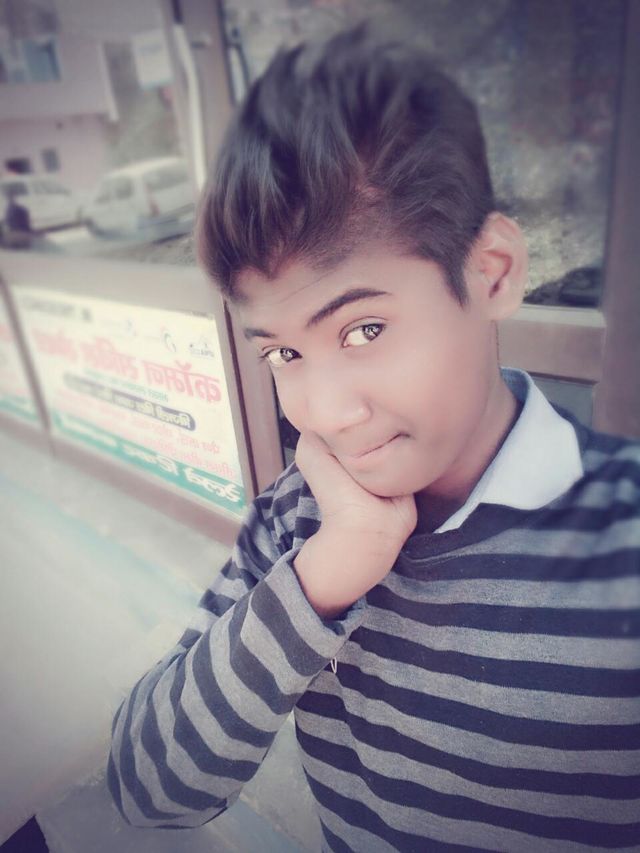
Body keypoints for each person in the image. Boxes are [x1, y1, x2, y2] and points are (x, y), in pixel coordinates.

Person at [107, 26, 640, 851]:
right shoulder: (300, 520)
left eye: (363, 330)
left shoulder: (620, 543)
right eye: (284, 354)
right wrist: (323, 577)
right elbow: (145, 787)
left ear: (492, 272)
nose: (323, 414)